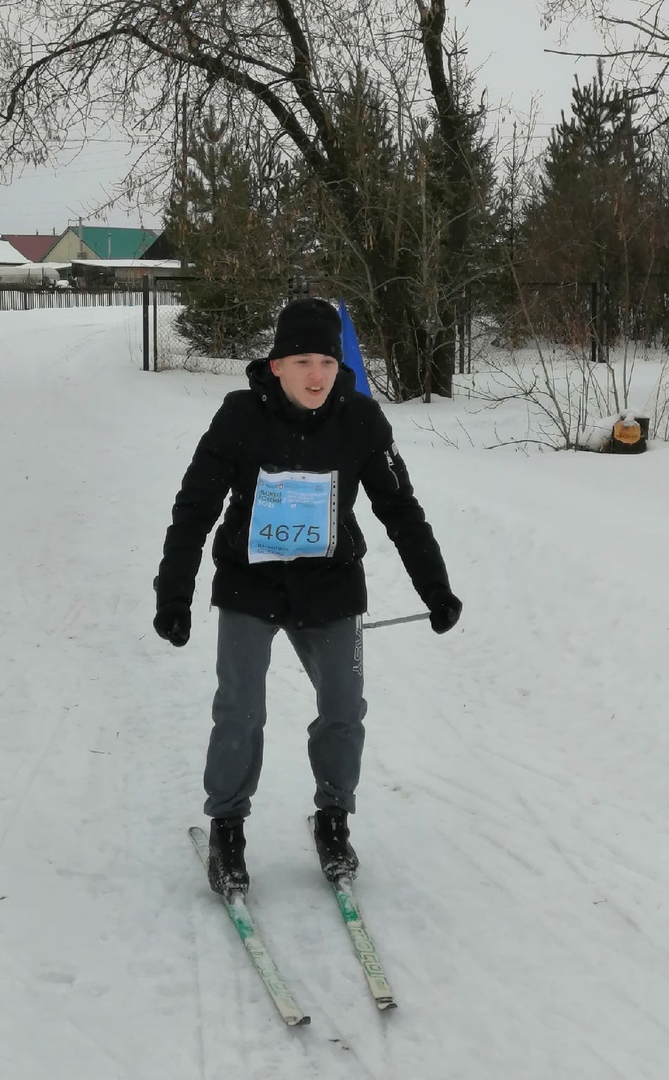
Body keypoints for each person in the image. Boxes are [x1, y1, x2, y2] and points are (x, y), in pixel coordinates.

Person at [153, 297, 461, 896]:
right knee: (240, 709)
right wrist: (174, 595)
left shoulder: (361, 421)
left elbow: (400, 509)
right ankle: (227, 827)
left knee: (344, 708)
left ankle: (333, 817)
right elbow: (194, 508)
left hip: (331, 586)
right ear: (276, 366)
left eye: (326, 361)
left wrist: (436, 587)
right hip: (250, 583)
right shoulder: (240, 418)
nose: (316, 375)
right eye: (302, 362)